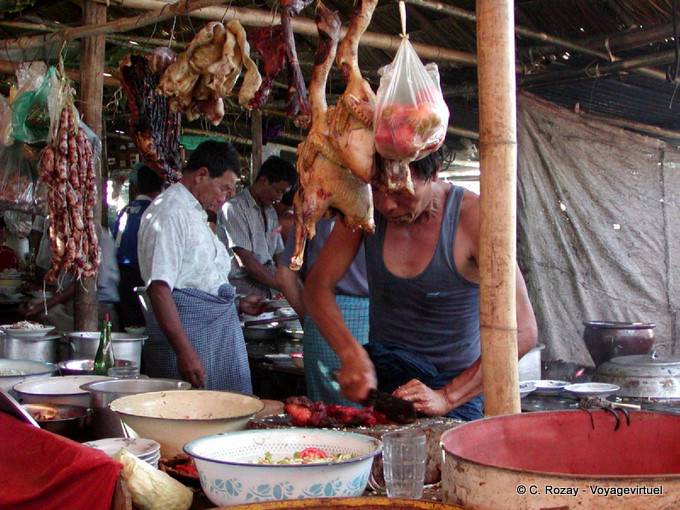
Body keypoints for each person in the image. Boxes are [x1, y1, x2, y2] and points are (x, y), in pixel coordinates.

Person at [305, 149, 538, 420]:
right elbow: (317, 285)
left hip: (455, 388)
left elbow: (524, 330)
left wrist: (447, 396)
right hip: (388, 382)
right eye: (376, 189)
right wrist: (351, 353)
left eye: (400, 191)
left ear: (434, 172)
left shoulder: (475, 218)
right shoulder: (365, 208)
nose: (386, 204)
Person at [137, 140, 263, 390]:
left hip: (212, 337)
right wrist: (185, 352)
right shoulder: (171, 212)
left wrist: (238, 303)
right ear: (202, 175)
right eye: (224, 189)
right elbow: (159, 289)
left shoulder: (194, 213)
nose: (225, 198)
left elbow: (196, 278)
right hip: (189, 339)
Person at [277, 218, 369, 406]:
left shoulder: (311, 209)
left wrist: (312, 317)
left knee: (325, 414)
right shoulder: (379, 210)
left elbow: (285, 275)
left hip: (321, 323)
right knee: (369, 416)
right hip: (373, 320)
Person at [218, 155, 297, 297]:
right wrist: (282, 286)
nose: (279, 198)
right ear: (263, 181)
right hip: (242, 283)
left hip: (267, 280)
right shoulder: (234, 208)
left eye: (283, 193)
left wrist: (290, 280)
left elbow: (279, 254)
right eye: (278, 191)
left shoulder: (271, 212)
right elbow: (247, 262)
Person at [112, 165, 164, 329]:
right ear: (161, 187)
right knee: (145, 327)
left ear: (137, 186)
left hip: (122, 278)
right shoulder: (156, 211)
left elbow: (116, 243)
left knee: (128, 328)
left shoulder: (124, 211)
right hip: (144, 279)